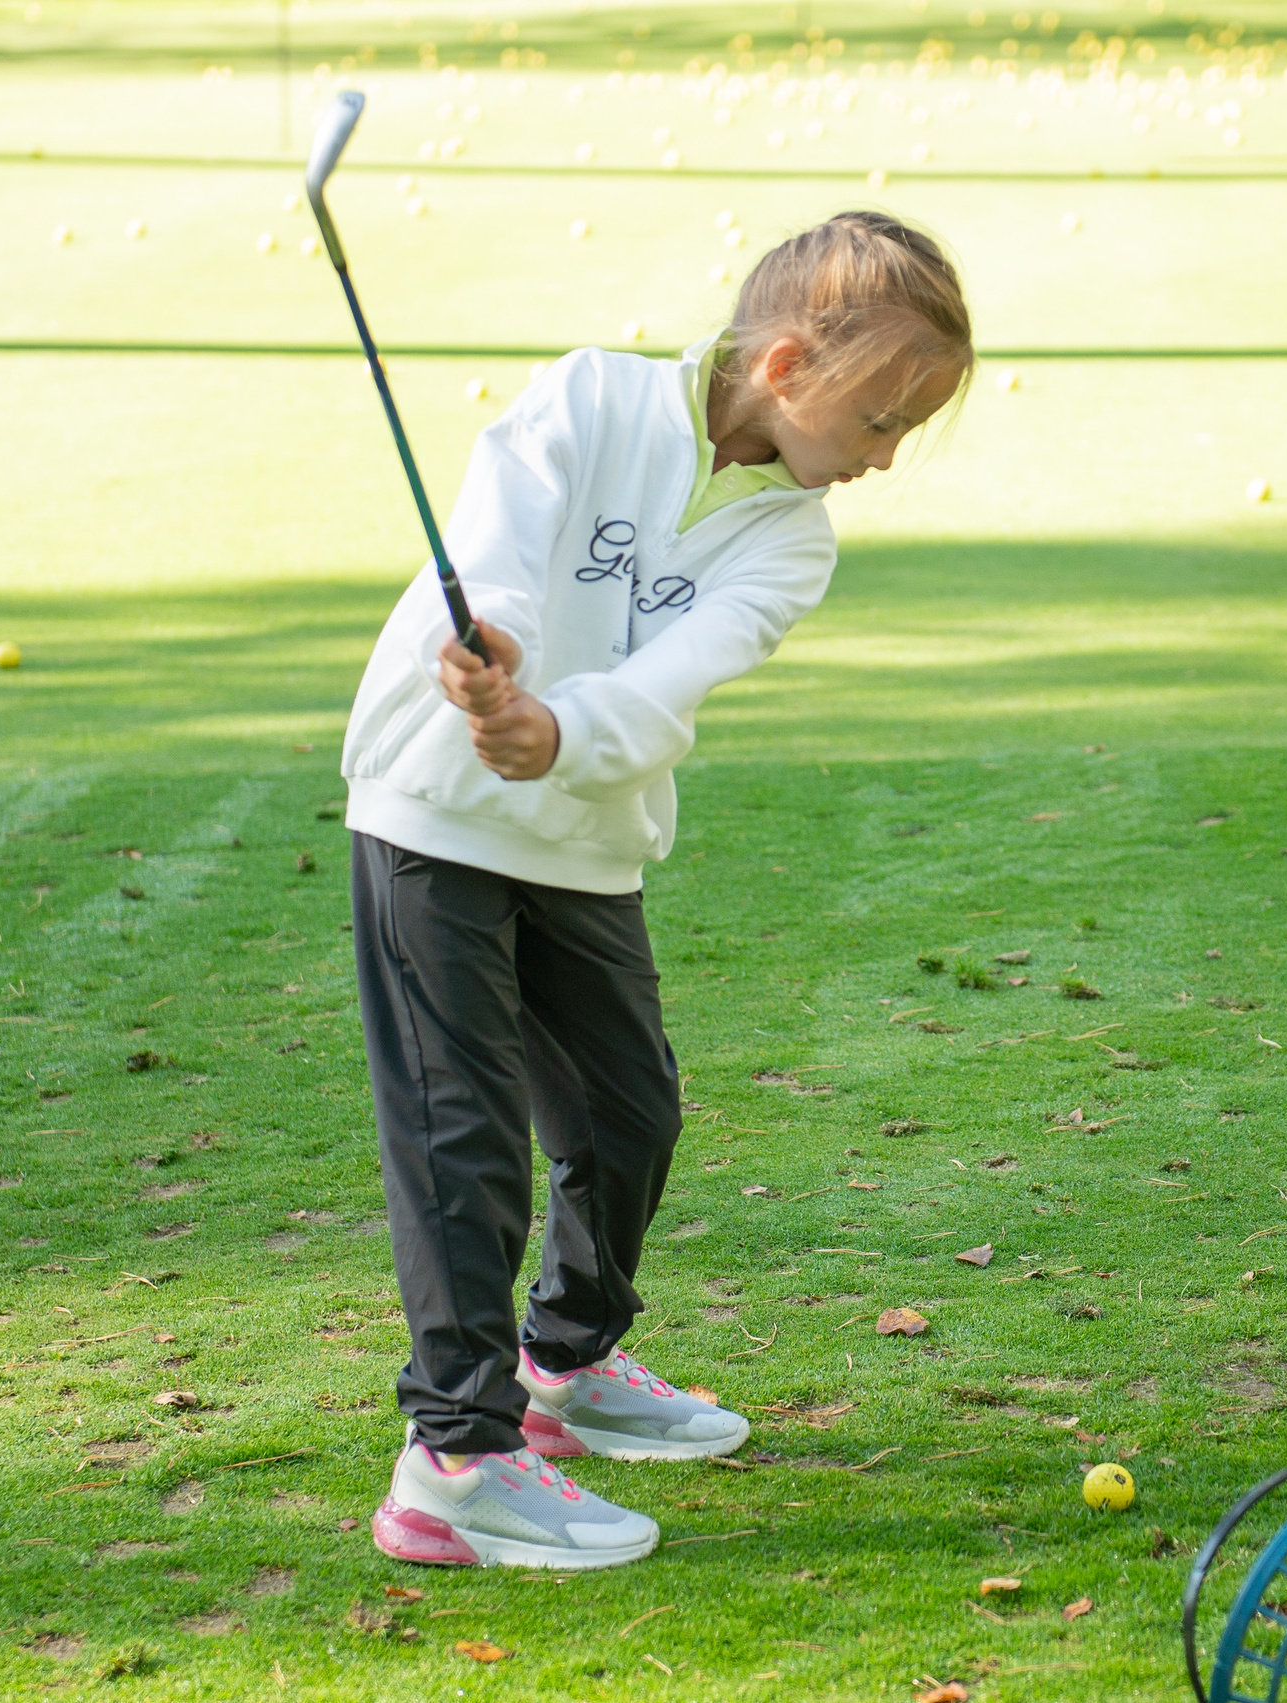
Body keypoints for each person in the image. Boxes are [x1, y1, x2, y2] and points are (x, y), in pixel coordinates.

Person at [339, 211, 974, 1569]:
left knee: (629, 1117)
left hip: (582, 833)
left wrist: (560, 734)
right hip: (433, 808)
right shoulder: (591, 392)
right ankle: (454, 1456)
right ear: (792, 364)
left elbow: (666, 686)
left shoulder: (795, 541)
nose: (885, 457)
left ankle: (565, 1366)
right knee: (464, 1138)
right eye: (880, 420)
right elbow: (499, 542)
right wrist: (491, 652)